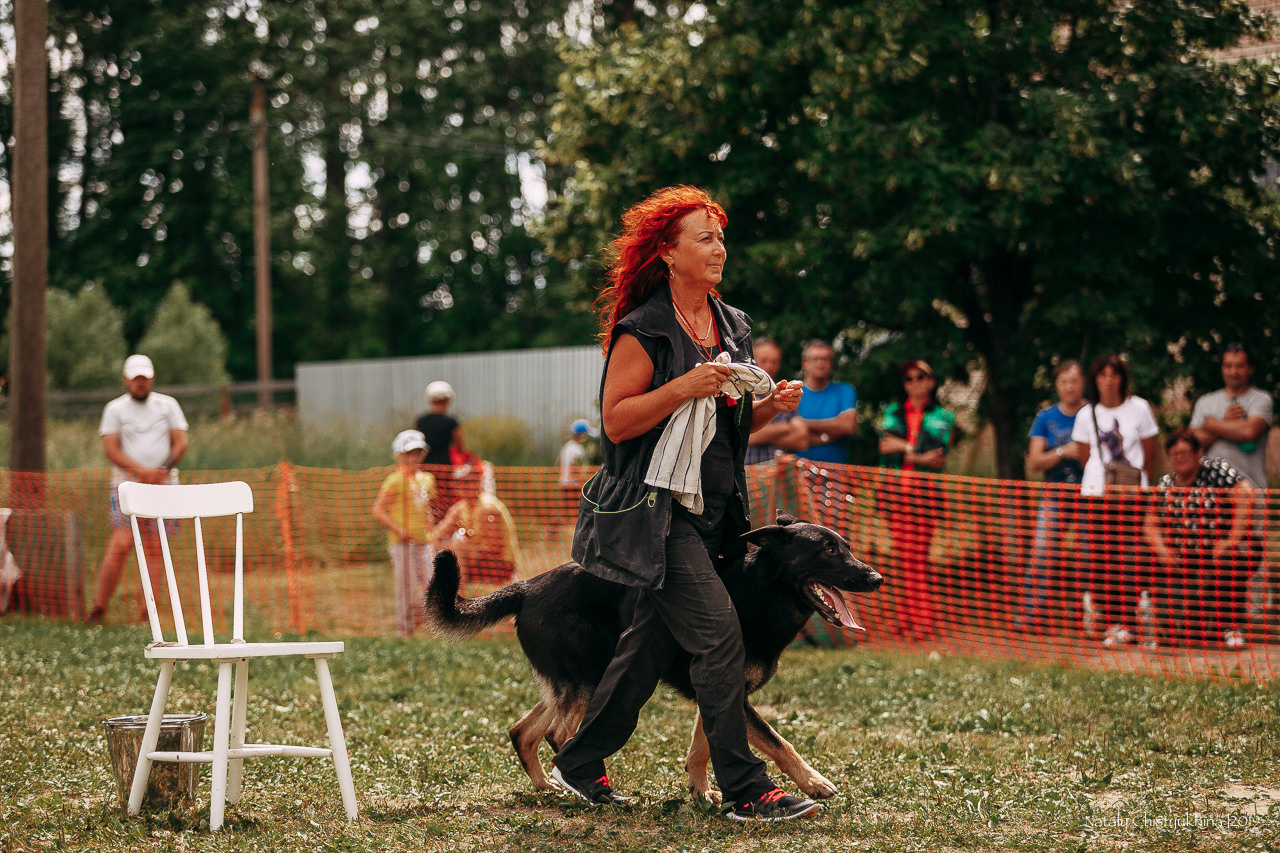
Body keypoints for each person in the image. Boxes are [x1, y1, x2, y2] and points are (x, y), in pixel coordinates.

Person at [549, 185, 817, 822]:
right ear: (668, 252)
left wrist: (768, 409)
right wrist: (683, 386)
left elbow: (724, 430)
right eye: (705, 237)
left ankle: (579, 762)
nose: (719, 247)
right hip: (654, 513)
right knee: (720, 638)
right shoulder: (642, 329)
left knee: (648, 648)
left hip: (717, 512)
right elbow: (616, 423)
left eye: (721, 236)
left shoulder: (732, 325)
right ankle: (748, 789)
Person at [87, 355, 189, 624]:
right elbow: (111, 449)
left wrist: (162, 470)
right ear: (126, 380)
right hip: (126, 487)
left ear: (151, 378)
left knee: (156, 548)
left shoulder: (168, 406)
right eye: (135, 379)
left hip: (164, 486)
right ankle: (99, 607)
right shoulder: (115, 409)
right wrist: (141, 472)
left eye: (144, 378)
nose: (140, 383)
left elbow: (180, 442)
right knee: (121, 544)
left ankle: (148, 614)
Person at [1069, 354, 1158, 648]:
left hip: (1132, 495)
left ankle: (1131, 622)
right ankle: (1111, 621)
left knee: (1131, 557)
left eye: (1115, 374)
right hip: (1096, 494)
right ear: (1095, 380)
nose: (1109, 380)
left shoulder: (1140, 408)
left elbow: (1149, 452)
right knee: (1100, 558)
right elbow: (1085, 455)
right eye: (1103, 374)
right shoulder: (1086, 413)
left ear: (1122, 378)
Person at [1143, 429, 1255, 649]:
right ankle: (1141, 628)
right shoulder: (1166, 484)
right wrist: (1162, 550)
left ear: (1198, 453)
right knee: (1136, 557)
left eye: (1185, 452)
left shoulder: (1216, 471)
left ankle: (1230, 627)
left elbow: (1245, 493)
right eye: (1174, 454)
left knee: (1231, 561)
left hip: (1218, 550)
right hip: (1180, 554)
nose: (1180, 458)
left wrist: (1231, 538)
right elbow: (1151, 523)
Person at [876, 358, 956, 641]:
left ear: (931, 382)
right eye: (908, 378)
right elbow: (887, 448)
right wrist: (916, 452)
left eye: (919, 377)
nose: (913, 382)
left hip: (925, 497)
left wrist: (906, 448)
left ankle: (923, 619)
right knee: (903, 558)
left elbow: (937, 457)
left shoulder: (944, 417)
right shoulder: (893, 412)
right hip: (895, 494)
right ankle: (908, 617)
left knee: (917, 558)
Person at [1019, 360, 1086, 632]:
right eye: (1064, 381)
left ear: (1083, 383)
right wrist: (1062, 453)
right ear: (1057, 385)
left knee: (1088, 555)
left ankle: (1086, 616)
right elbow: (1035, 461)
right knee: (1043, 551)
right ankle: (1031, 614)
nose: (1070, 386)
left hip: (1089, 494)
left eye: (1074, 380)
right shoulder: (1046, 417)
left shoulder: (1094, 413)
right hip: (1055, 493)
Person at [372, 429, 437, 637]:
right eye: (409, 453)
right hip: (402, 544)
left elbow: (429, 509)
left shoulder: (427, 479)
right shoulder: (394, 480)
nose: (414, 458)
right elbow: (378, 510)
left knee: (431, 584)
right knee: (406, 588)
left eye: (418, 453)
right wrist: (400, 530)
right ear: (400, 455)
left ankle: (433, 626)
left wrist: (433, 532)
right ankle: (404, 629)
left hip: (424, 542)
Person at [1189, 343, 1272, 489]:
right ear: (1222, 368)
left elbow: (1249, 432)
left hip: (1252, 488)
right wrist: (1227, 422)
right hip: (1212, 490)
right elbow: (1194, 442)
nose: (1233, 372)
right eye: (1228, 366)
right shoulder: (1205, 402)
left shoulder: (1261, 399)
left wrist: (1211, 425)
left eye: (1239, 366)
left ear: (1250, 369)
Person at [744, 338, 809, 465]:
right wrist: (785, 427)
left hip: (778, 478)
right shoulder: (741, 392)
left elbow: (802, 439)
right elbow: (743, 436)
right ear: (752, 361)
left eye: (775, 362)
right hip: (749, 475)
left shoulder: (784, 392)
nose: (770, 366)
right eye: (764, 360)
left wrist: (759, 434)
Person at [795, 340, 857, 464]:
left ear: (831, 364)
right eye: (815, 359)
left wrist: (803, 424)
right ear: (804, 363)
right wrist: (828, 436)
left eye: (825, 359)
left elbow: (848, 426)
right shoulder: (793, 390)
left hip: (836, 476)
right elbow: (787, 435)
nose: (820, 363)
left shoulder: (845, 390)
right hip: (798, 475)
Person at [415, 380, 470, 468]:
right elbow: (460, 447)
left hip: (425, 465)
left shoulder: (421, 421)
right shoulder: (451, 421)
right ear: (447, 400)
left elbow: (415, 443)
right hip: (445, 466)